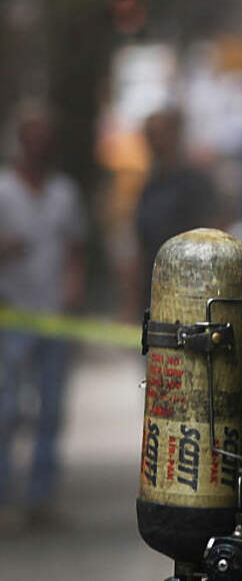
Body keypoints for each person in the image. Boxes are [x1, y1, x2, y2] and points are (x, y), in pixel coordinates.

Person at [0, 103, 86, 519]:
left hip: (54, 316)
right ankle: (4, 496)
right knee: (7, 409)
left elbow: (75, 249)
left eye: (45, 139)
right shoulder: (4, 191)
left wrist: (73, 286)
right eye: (33, 138)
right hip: (12, 314)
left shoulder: (63, 193)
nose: (39, 146)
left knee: (50, 410)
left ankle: (41, 498)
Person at [133, 107, 219, 314]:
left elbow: (214, 237)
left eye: (157, 135)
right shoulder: (150, 186)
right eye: (149, 136)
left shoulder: (195, 183)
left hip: (189, 289)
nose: (153, 143)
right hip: (153, 289)